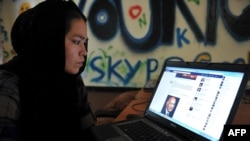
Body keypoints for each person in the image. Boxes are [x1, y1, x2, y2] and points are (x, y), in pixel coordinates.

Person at [0, 0, 96, 140]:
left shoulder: (72, 80)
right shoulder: (8, 84)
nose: (84, 51)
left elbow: (88, 130)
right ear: (50, 39)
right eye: (76, 41)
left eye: (85, 43)